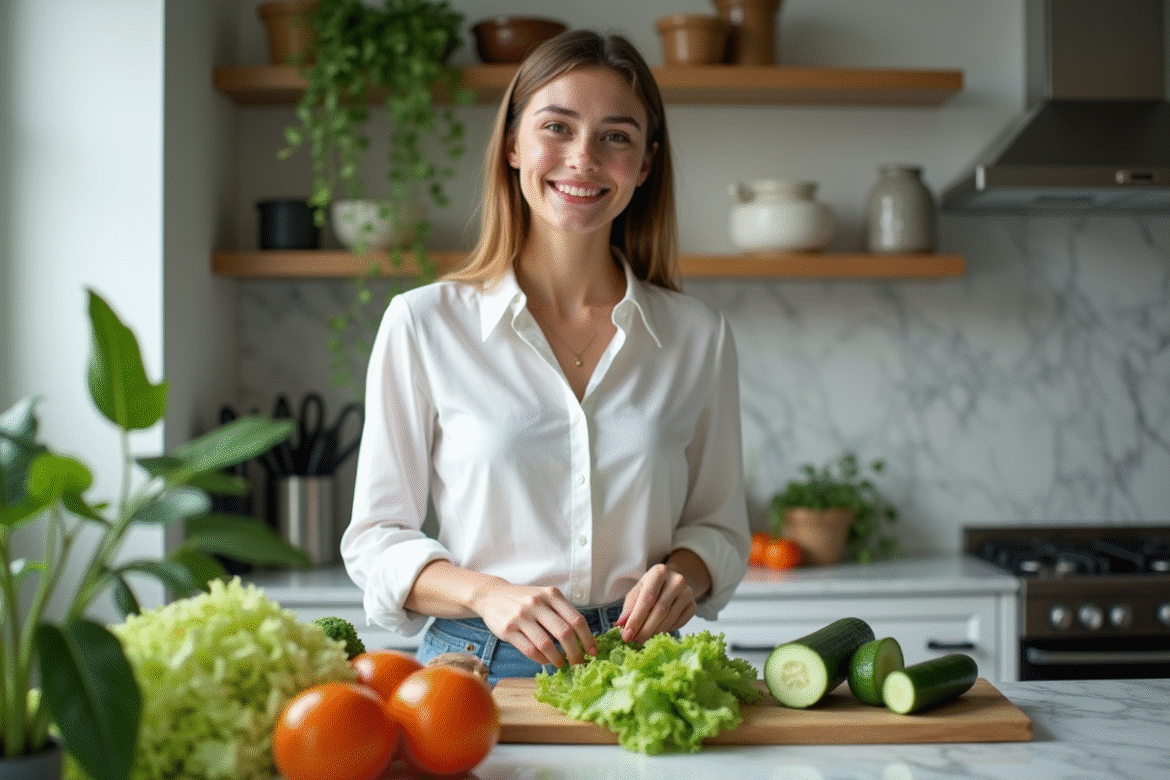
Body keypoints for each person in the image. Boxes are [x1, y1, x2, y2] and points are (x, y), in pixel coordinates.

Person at [341, 29, 750, 683]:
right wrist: (485, 594)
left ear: (644, 163)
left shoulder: (698, 336)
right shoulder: (424, 323)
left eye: (616, 136)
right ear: (511, 143)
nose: (583, 158)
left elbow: (720, 529)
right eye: (557, 127)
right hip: (472, 666)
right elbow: (375, 540)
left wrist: (683, 575)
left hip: (642, 666)